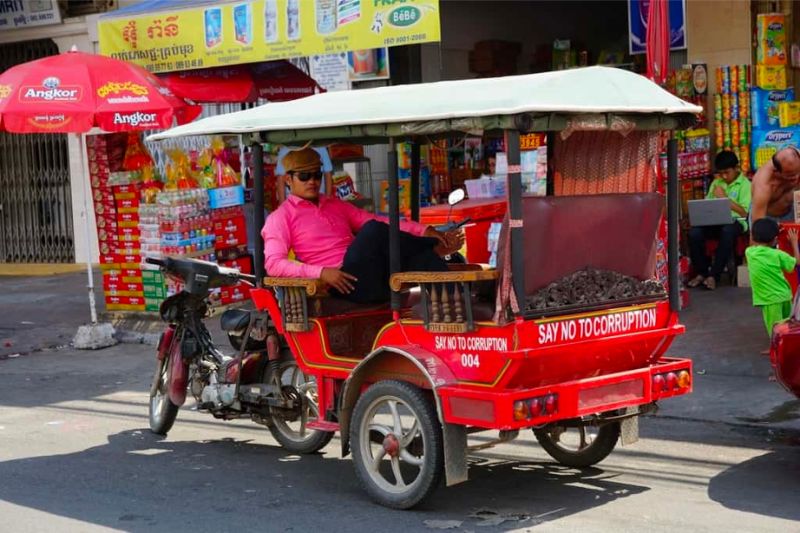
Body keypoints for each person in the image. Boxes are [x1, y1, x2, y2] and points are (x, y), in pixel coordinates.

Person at [262, 147, 464, 304]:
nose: (312, 181)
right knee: (371, 232)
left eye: (316, 175)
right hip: (342, 283)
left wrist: (424, 230)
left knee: (422, 257)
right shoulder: (280, 217)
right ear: (288, 179)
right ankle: (433, 245)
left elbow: (379, 221)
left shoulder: (334, 204)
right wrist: (321, 272)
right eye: (304, 176)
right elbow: (273, 265)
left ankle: (459, 310)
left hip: (370, 272)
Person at [687, 151, 751, 290]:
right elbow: (708, 205)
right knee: (694, 233)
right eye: (721, 173)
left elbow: (745, 212)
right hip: (715, 221)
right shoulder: (716, 183)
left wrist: (726, 199)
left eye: (727, 172)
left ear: (736, 168)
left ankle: (714, 275)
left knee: (727, 231)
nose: (724, 176)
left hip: (737, 222)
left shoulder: (745, 185)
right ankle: (702, 272)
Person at [746, 218, 800, 338]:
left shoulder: (749, 253)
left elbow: (754, 240)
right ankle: (788, 349)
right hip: (785, 295)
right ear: (775, 239)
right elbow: (797, 262)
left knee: (775, 330)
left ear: (753, 237)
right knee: (789, 326)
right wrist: (794, 242)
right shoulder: (778, 255)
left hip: (770, 299)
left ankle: (775, 350)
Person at [750, 146, 800, 225]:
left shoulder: (796, 156)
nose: (797, 177)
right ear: (776, 171)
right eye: (791, 175)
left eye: (798, 171)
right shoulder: (763, 184)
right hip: (768, 218)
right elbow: (757, 225)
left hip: (793, 211)